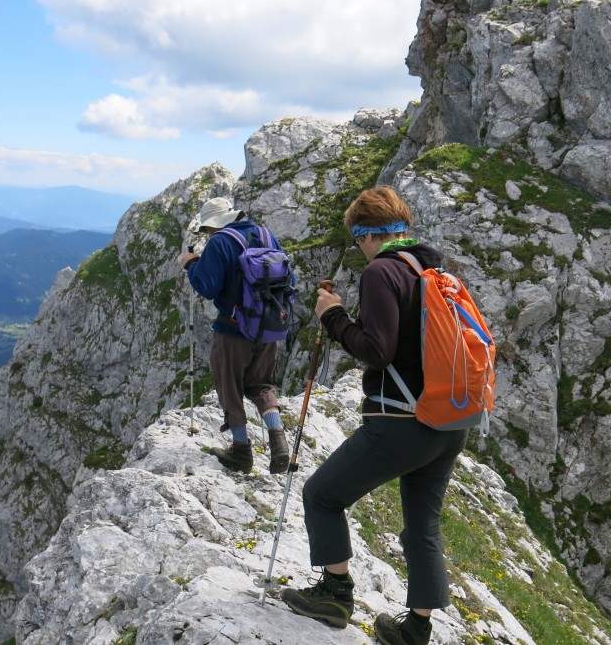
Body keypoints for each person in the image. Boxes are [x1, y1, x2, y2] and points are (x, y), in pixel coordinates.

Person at [280, 187, 465, 645]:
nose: (358, 248)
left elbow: (377, 351)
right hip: (450, 421)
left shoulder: (382, 271)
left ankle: (335, 594)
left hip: (402, 421)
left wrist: (334, 316)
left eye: (356, 238)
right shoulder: (431, 270)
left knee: (321, 494)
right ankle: (416, 630)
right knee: (423, 524)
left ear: (366, 234)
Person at [178, 197, 290, 475]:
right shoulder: (266, 235)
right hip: (268, 328)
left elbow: (207, 287)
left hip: (233, 330)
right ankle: (278, 440)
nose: (208, 234)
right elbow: (289, 279)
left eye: (207, 229)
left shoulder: (219, 242)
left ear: (213, 226)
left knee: (230, 387)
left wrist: (191, 264)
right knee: (261, 385)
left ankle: (241, 451)